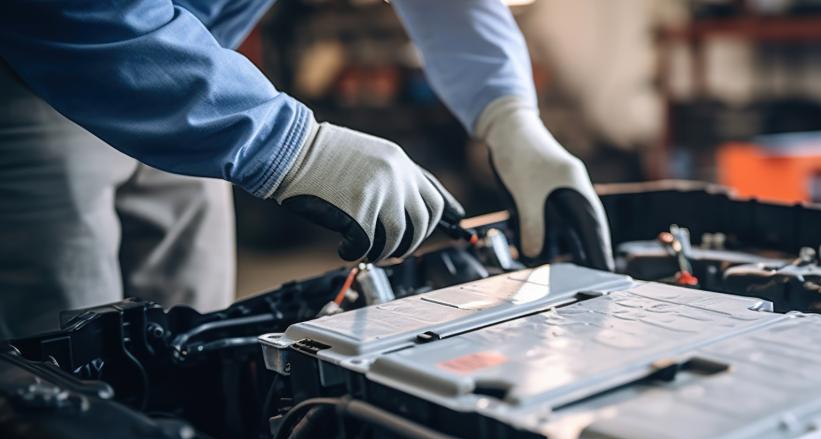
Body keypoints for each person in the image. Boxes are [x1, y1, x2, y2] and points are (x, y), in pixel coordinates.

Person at [0, 1, 613, 339]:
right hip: (37, 73)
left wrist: (509, 116)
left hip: (202, 68)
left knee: (192, 336)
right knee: (65, 366)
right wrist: (290, 146)